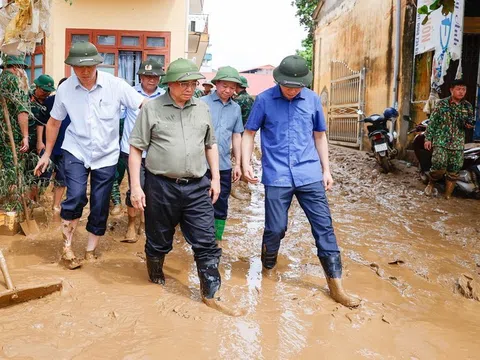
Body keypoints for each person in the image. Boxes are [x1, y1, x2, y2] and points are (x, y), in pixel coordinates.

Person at [241, 55, 360, 308]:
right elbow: (249, 133)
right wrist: (245, 164)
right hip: (277, 175)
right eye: (288, 87)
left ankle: (336, 286)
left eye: (297, 87)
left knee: (324, 227)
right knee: (275, 228)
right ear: (279, 82)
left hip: (309, 174)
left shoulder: (313, 99)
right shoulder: (263, 101)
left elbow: (319, 136)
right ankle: (268, 265)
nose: (293, 91)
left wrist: (326, 170)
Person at [128, 58, 235, 315]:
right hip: (160, 185)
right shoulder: (151, 109)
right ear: (170, 85)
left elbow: (211, 145)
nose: (190, 88)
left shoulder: (201, 108)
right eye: (184, 84)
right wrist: (135, 187)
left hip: (198, 186)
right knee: (158, 239)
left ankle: (211, 293)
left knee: (206, 240)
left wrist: (217, 180)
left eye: (193, 83)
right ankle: (155, 277)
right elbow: (136, 149)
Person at [34, 41, 146, 269]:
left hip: (107, 154)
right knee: (74, 196)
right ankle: (67, 247)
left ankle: (90, 250)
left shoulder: (116, 85)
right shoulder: (65, 89)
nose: (84, 72)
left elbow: (144, 105)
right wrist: (46, 154)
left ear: (97, 64)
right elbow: (54, 122)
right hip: (76, 149)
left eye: (89, 67)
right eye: (78, 67)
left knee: (100, 204)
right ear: (72, 67)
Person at [119, 59, 165, 242]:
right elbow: (119, 116)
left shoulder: (165, 96)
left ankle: (145, 224)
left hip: (156, 152)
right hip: (132, 151)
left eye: (155, 77)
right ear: (140, 77)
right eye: (147, 76)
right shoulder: (130, 94)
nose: (151, 80)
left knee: (153, 190)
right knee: (134, 188)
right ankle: (131, 223)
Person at [201, 66, 243, 241]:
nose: (228, 90)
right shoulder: (201, 103)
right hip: (200, 164)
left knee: (221, 202)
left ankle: (216, 239)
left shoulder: (236, 109)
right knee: (199, 202)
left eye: (232, 87)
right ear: (216, 84)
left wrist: (238, 164)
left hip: (224, 164)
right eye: (224, 85)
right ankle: (199, 236)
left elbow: (236, 135)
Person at [424, 79, 475, 199]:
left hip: (457, 143)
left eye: (464, 89)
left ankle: (447, 196)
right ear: (451, 90)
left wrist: (469, 125)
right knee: (438, 165)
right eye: (458, 89)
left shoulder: (467, 106)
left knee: (454, 170)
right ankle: (431, 183)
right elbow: (432, 122)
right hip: (441, 141)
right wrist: (428, 138)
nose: (461, 92)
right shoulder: (441, 104)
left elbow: (470, 121)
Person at [41, 77, 70, 221]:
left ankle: (55, 206)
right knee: (42, 176)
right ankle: (36, 203)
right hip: (49, 147)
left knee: (61, 179)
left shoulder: (75, 103)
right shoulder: (50, 102)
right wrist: (40, 143)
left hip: (67, 148)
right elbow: (41, 123)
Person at [0, 55, 30, 169]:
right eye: (22, 69)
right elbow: (22, 111)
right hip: (11, 135)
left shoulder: (1, 80)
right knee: (12, 170)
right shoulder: (16, 82)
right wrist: (25, 136)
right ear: (16, 68)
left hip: (2, 134)